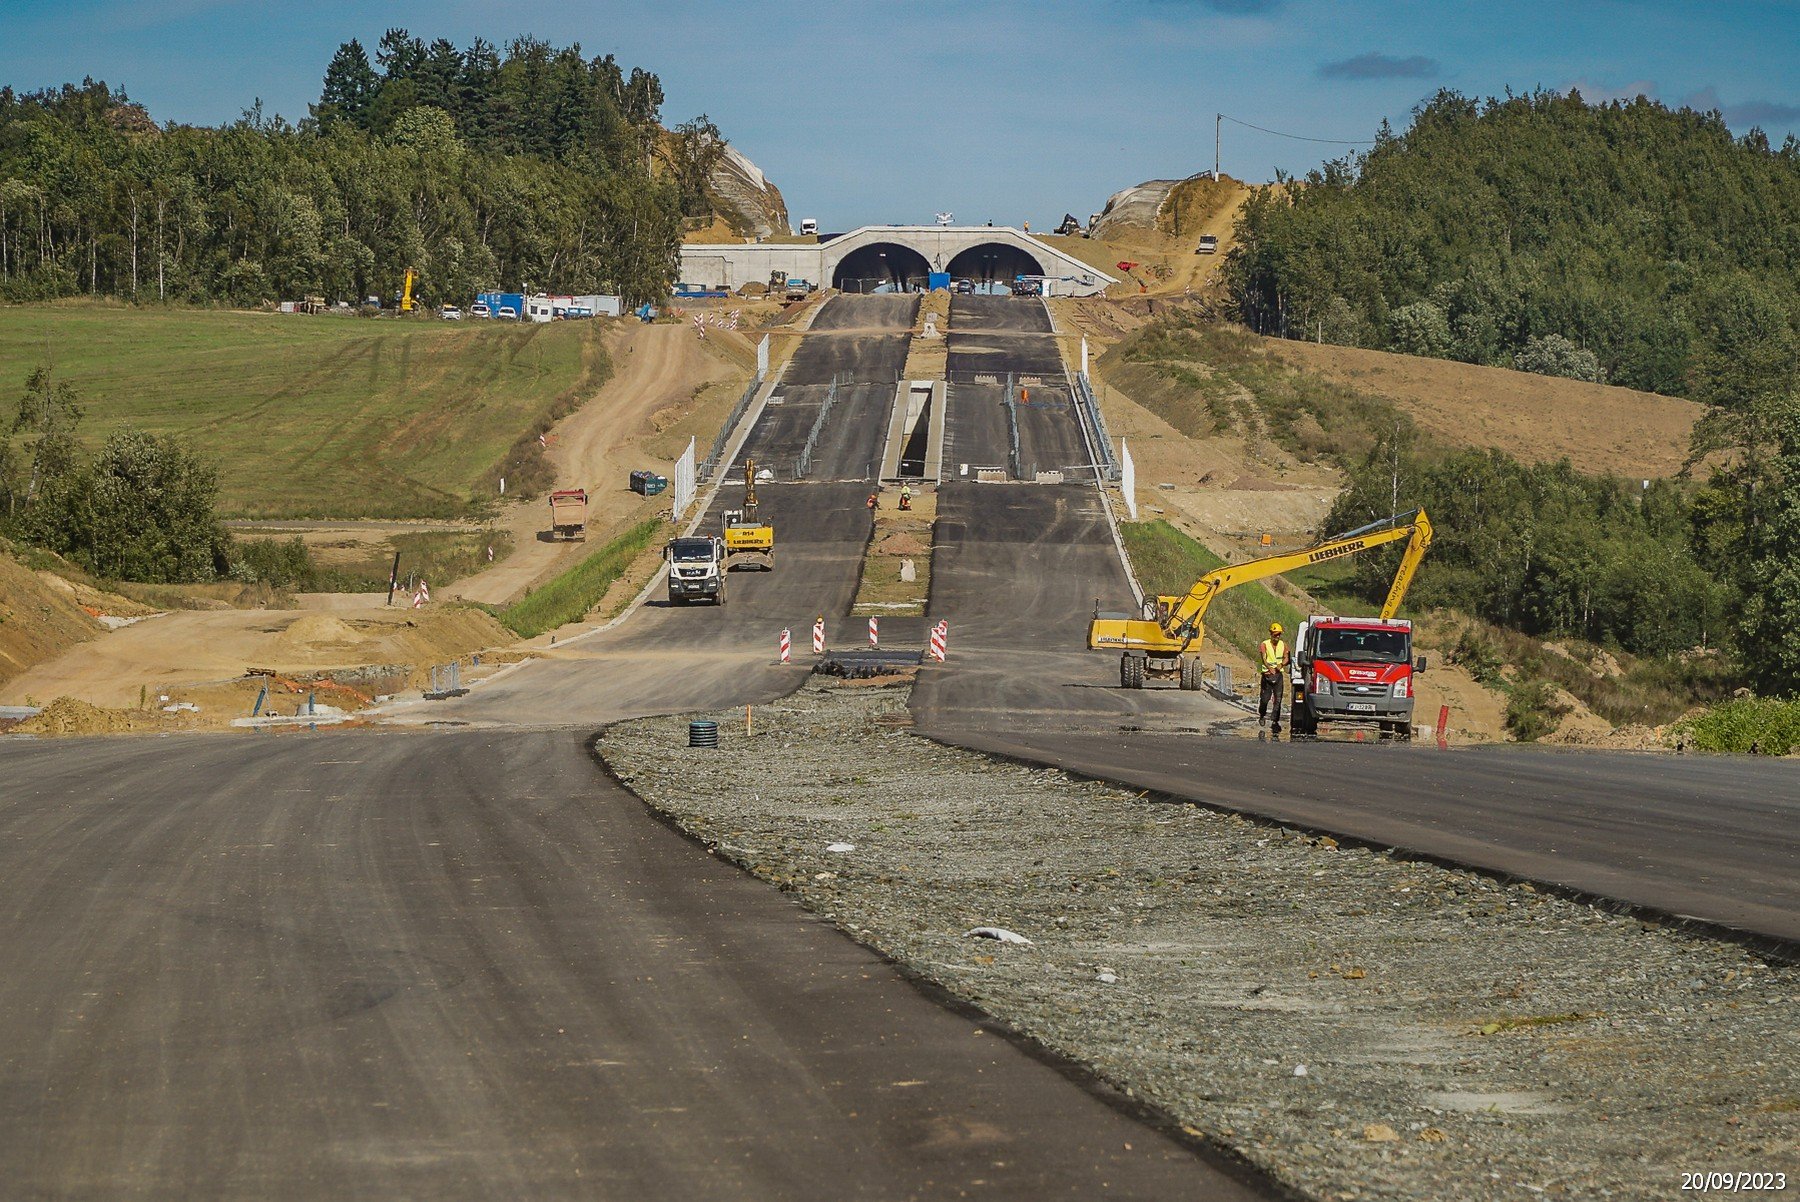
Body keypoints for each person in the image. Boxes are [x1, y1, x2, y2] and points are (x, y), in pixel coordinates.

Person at [1258, 622, 1289, 733]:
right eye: (1275, 634)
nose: (1277, 637)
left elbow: (1286, 658)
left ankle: (1275, 720)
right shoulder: (1264, 644)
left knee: (1278, 699)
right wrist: (1269, 668)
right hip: (1267, 675)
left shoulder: (1283, 645)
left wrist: (1281, 664)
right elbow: (1264, 658)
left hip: (1278, 674)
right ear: (1271, 634)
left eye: (1279, 634)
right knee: (1265, 699)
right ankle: (1262, 715)